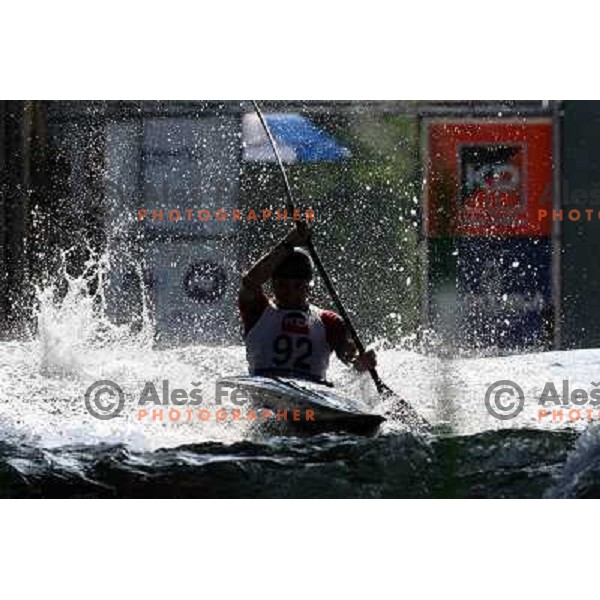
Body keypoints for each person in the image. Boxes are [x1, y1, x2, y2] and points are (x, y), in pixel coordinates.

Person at [238, 225, 376, 384]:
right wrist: (288, 243)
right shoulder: (257, 310)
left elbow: (349, 355)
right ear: (273, 285)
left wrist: (360, 361)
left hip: (312, 391)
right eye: (283, 285)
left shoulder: (328, 321)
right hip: (266, 386)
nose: (290, 292)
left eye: (297, 286)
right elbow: (249, 282)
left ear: (308, 286)